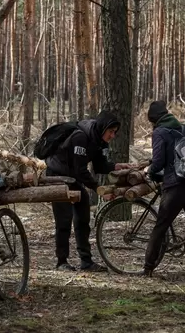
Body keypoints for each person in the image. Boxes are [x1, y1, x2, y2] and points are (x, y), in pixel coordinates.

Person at [45, 110, 133, 272]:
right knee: (64, 220)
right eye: (111, 132)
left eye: (115, 132)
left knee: (83, 219)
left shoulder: (100, 141)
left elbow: (99, 166)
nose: (113, 136)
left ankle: (86, 261)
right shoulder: (80, 137)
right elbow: (81, 171)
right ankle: (61, 261)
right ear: (102, 128)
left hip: (72, 178)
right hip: (57, 177)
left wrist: (117, 166)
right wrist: (99, 189)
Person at [143, 100, 185, 284]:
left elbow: (158, 162)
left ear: (154, 120)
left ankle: (148, 267)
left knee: (161, 226)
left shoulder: (159, 132)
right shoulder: (184, 129)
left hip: (175, 188)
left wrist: (148, 171)